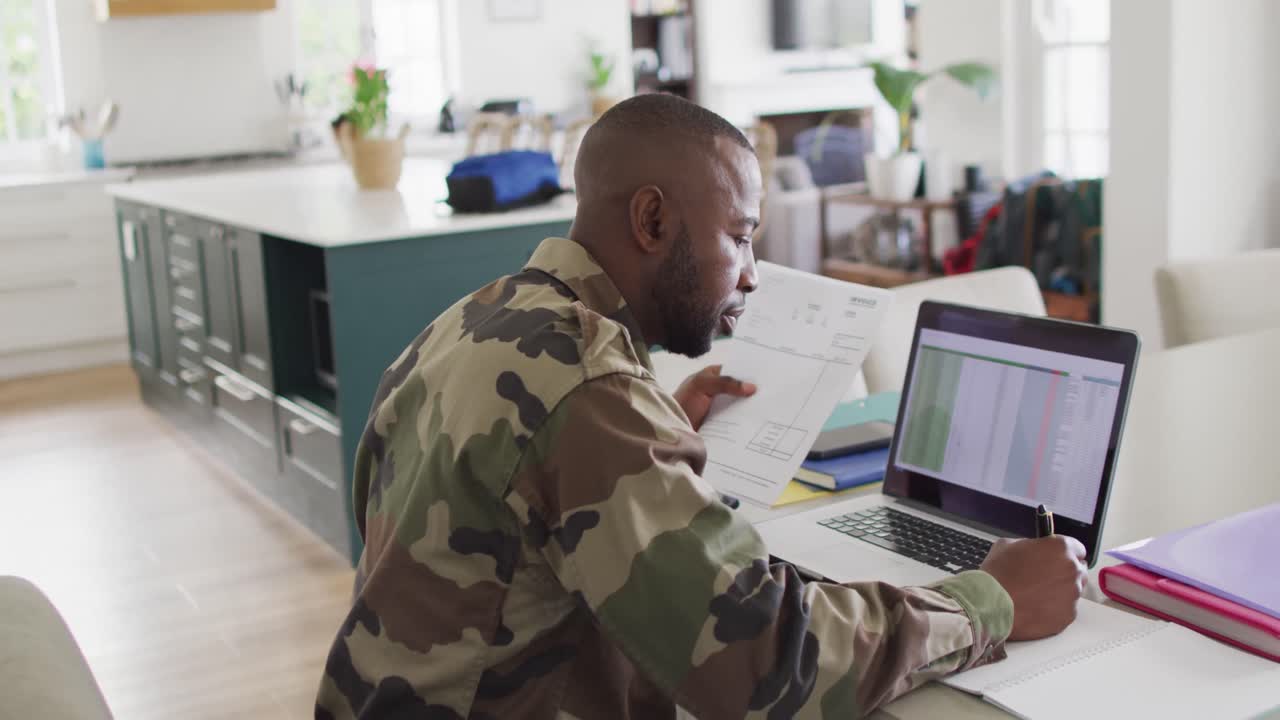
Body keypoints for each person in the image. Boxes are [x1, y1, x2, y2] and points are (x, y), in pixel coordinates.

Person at [315, 94, 1087, 719]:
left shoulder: (469, 322)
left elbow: (483, 520)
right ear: (652, 221)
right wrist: (994, 600)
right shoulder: (589, 392)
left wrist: (648, 441)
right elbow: (763, 666)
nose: (752, 273)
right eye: (741, 236)